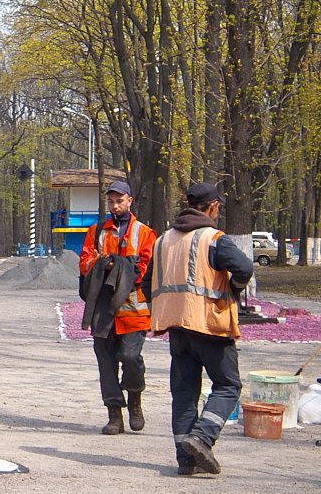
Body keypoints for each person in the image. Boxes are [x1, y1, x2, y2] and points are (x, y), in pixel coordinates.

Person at [149, 182, 254, 476]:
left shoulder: (163, 240)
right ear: (212, 207)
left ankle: (186, 461)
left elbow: (147, 281)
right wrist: (234, 288)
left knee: (184, 394)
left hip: (176, 327)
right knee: (228, 385)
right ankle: (202, 438)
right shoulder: (213, 239)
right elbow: (244, 268)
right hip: (209, 324)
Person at [79, 180, 157, 434]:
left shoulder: (145, 233)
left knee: (131, 357)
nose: (114, 206)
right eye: (111, 201)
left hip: (133, 309)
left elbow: (143, 269)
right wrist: (106, 265)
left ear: (130, 201)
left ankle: (135, 400)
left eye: (119, 201)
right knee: (106, 362)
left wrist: (116, 266)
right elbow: (85, 262)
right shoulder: (96, 230)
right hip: (102, 309)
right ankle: (114, 415)